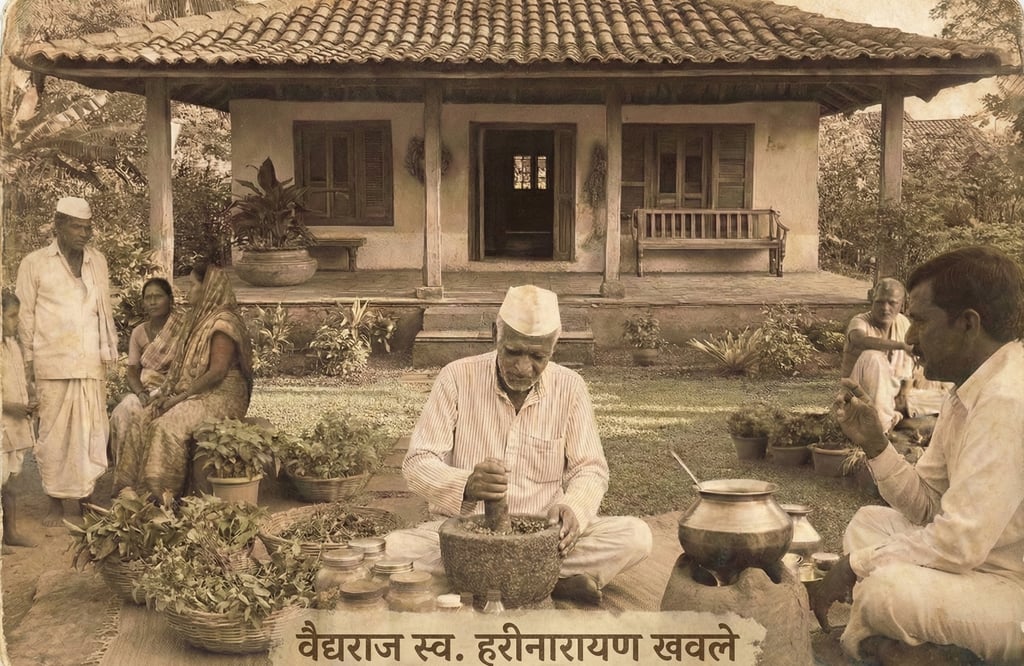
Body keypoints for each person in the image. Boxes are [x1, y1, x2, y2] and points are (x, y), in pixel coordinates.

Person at [810, 246, 1024, 664]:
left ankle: (900, 649)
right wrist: (876, 444)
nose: (908, 338)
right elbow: (927, 506)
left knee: (884, 591)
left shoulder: (1007, 398)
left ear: (968, 324)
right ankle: (912, 651)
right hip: (978, 566)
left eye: (921, 321)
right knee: (868, 523)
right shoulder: (971, 388)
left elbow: (958, 543)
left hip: (1011, 586)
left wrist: (854, 566)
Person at [387, 285, 653, 605]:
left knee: (636, 537)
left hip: (543, 540)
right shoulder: (456, 377)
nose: (524, 367)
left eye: (538, 356)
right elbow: (418, 461)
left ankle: (493, 581)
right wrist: (466, 484)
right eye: (513, 351)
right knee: (393, 550)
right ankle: (549, 581)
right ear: (494, 336)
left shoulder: (570, 387)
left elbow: (590, 468)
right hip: (468, 536)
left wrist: (575, 508)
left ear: (553, 349)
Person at [15, 196, 118, 526]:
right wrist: (27, 365)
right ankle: (56, 504)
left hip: (90, 364)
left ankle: (85, 501)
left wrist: (107, 351)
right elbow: (25, 316)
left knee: (91, 432)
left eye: (88, 227)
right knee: (53, 438)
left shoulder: (96, 261)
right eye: (76, 226)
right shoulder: (35, 263)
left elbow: (104, 311)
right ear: (58, 226)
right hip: (52, 364)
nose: (84, 233)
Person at [112, 262, 253, 500]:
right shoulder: (195, 320)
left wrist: (179, 398)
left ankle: (159, 496)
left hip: (222, 394)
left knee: (165, 426)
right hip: (196, 392)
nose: (189, 292)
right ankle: (129, 490)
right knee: (142, 417)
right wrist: (167, 394)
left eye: (193, 285)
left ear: (208, 288)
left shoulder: (224, 323)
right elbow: (178, 370)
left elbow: (217, 373)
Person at [842, 278, 948, 435]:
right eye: (880, 302)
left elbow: (912, 366)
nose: (885, 308)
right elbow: (860, 340)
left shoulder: (903, 323)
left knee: (951, 396)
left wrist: (905, 392)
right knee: (872, 357)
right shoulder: (860, 322)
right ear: (872, 299)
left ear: (902, 304)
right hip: (859, 401)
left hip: (894, 400)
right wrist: (901, 346)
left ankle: (896, 416)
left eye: (892, 303)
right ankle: (884, 426)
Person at [108, 278, 185, 462]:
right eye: (148, 297)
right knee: (123, 411)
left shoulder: (183, 329)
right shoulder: (139, 332)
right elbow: (133, 370)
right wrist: (140, 392)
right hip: (146, 391)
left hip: (173, 392)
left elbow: (189, 368)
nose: (152, 301)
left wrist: (167, 392)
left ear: (170, 299)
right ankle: (125, 471)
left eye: (158, 296)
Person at [1, 290, 38, 552]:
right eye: (11, 316)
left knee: (13, 479)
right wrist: (9, 406)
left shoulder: (12, 346)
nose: (16, 321)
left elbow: (19, 381)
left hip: (16, 424)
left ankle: (11, 532)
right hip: (2, 424)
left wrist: (29, 399)